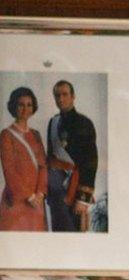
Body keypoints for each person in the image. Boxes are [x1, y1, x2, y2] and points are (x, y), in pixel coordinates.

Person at [46, 80, 97, 232]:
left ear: (73, 96)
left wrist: (83, 198)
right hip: (56, 192)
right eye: (57, 95)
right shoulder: (53, 122)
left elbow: (90, 162)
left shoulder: (84, 123)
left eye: (64, 94)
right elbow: (51, 158)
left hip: (75, 190)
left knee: (74, 238)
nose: (60, 99)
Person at [1, 87, 47, 231]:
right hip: (17, 200)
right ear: (14, 106)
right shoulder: (6, 135)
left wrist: (40, 193)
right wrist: (29, 196)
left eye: (29, 105)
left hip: (37, 201)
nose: (25, 109)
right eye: (21, 104)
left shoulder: (36, 135)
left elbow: (43, 167)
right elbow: (9, 170)